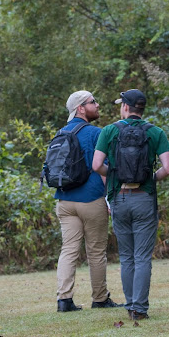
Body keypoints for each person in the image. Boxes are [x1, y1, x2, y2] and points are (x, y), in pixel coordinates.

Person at [92, 89, 169, 320]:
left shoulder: (109, 131)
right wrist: (150, 178)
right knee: (143, 257)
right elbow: (167, 168)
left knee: (127, 256)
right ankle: (140, 309)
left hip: (120, 199)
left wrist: (116, 176)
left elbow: (97, 165)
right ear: (142, 108)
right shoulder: (156, 132)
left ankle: (130, 305)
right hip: (144, 198)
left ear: (125, 107)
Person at [54, 91, 122, 312]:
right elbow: (104, 169)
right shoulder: (96, 133)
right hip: (91, 199)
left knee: (69, 249)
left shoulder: (61, 132)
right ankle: (100, 298)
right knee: (96, 251)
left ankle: (64, 300)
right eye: (93, 102)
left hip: (64, 201)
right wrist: (110, 198)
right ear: (81, 108)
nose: (98, 105)